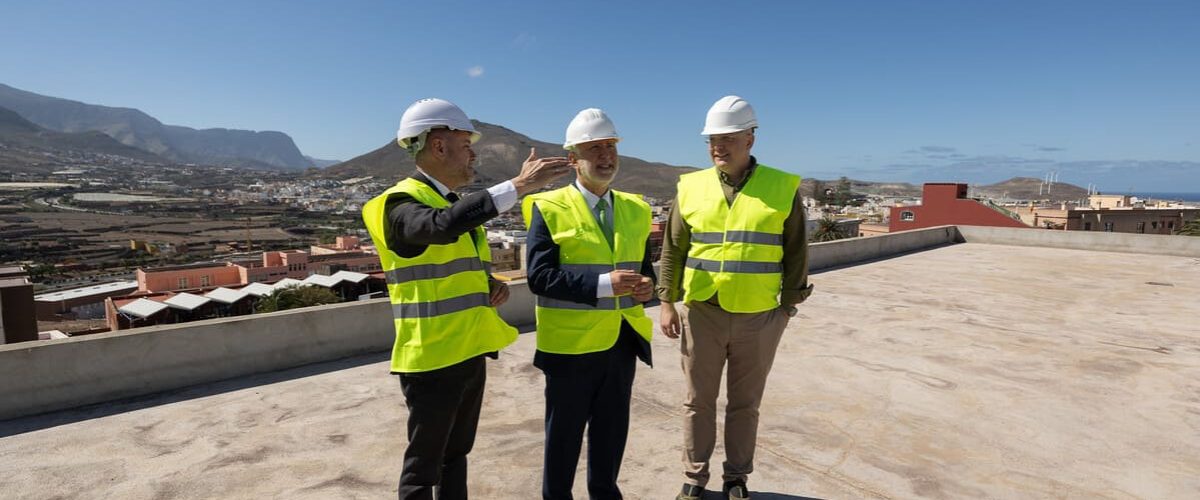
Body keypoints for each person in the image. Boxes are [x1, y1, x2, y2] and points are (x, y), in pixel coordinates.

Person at [361, 97, 571, 500]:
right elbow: (438, 230)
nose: (474, 154)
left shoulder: (449, 203)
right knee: (423, 469)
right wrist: (519, 186)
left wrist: (489, 284)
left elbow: (451, 261)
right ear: (438, 147)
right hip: (432, 358)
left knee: (455, 457)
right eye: (466, 144)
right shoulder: (399, 204)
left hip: (467, 351)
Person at [658, 96, 813, 500]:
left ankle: (736, 478)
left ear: (750, 138)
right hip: (702, 311)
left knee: (745, 404)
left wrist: (788, 306)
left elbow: (796, 248)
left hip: (759, 315)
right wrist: (666, 301)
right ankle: (694, 477)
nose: (717, 147)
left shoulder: (781, 187)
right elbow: (674, 247)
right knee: (698, 402)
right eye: (712, 139)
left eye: (727, 138)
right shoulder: (690, 186)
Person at [521, 108, 656, 500]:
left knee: (611, 436)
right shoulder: (548, 207)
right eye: (593, 148)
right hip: (570, 348)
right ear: (572, 160)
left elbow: (644, 269)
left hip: (621, 343)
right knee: (563, 440)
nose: (605, 155)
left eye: (610, 146)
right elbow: (539, 277)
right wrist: (602, 284)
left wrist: (648, 288)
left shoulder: (637, 208)